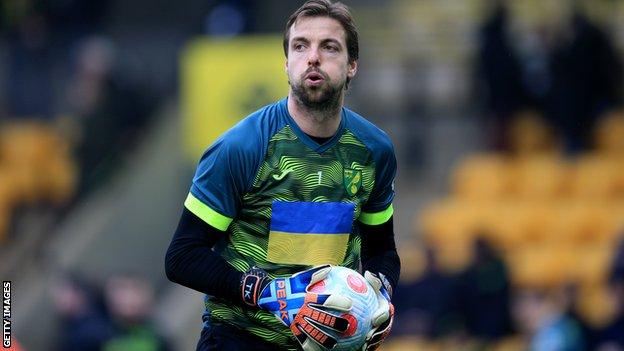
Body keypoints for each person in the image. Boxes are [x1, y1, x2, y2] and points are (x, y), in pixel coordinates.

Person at [164, 1, 400, 350]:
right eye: (300, 46)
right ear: (287, 63)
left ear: (352, 66)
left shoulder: (374, 150)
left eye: (329, 47)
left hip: (331, 343)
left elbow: (382, 250)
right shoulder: (242, 147)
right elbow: (182, 256)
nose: (313, 57)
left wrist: (379, 297)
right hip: (240, 338)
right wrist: (267, 292)